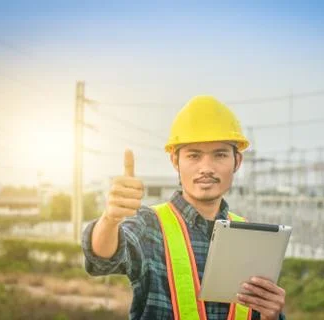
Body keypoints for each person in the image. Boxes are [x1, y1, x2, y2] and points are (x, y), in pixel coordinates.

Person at [82, 96, 286, 320]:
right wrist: (110, 220)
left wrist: (272, 316)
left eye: (219, 155)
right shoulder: (150, 224)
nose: (206, 168)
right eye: (194, 155)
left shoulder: (251, 236)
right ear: (175, 161)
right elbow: (102, 259)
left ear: (237, 161)